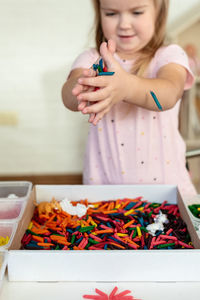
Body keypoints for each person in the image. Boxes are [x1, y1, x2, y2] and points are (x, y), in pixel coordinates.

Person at [62, 0, 197, 198]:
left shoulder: (168, 56)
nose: (124, 23)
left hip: (167, 193)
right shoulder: (94, 59)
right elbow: (68, 97)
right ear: (99, 13)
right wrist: (84, 87)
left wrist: (127, 87)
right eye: (111, 14)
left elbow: (169, 95)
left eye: (136, 12)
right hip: (105, 195)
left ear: (158, 12)